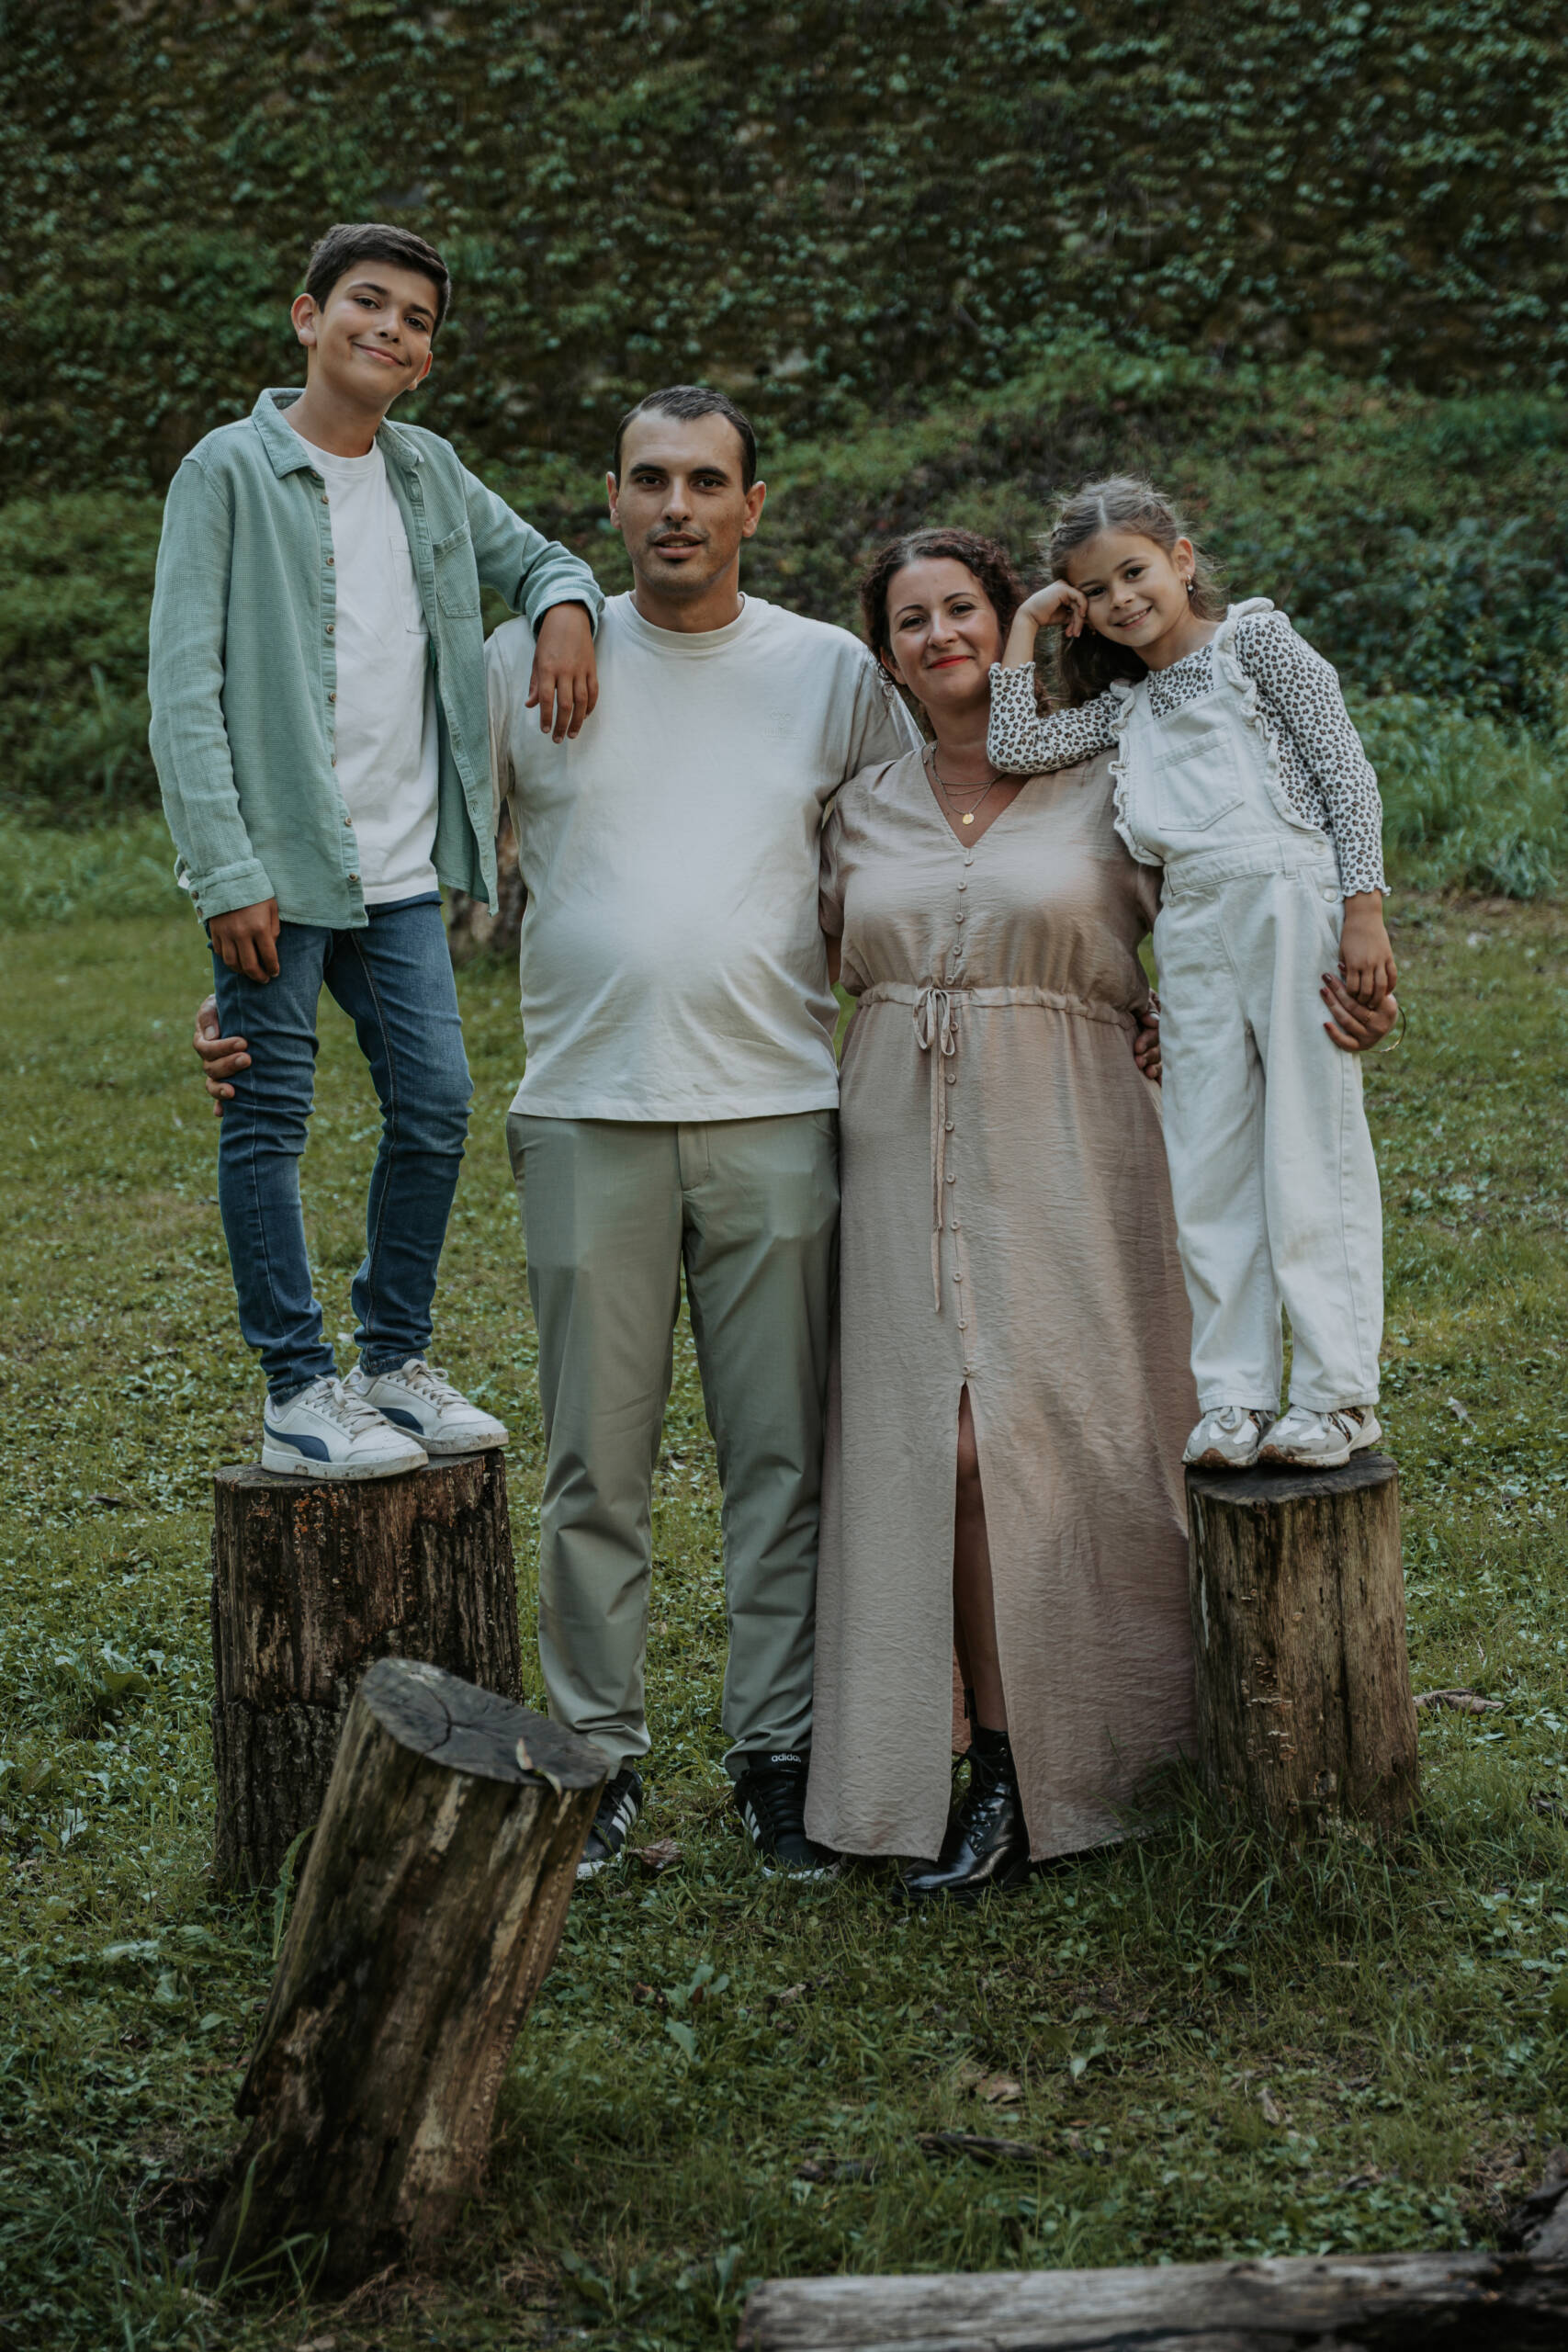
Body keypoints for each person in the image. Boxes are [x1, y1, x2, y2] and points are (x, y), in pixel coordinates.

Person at [199, 384, 919, 1877]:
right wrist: (247, 1016)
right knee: (596, 1475)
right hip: (585, 1111)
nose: (676, 508)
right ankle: (597, 1762)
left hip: (779, 1110)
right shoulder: (517, 666)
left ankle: (775, 1760)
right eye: (649, 480)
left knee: (777, 1466)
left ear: (751, 508)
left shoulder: (832, 673)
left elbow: (925, 848)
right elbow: (372, 849)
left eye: (706, 483)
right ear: (606, 500)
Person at [804, 527, 1397, 1899]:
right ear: (883, 652)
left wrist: (1324, 961)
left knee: (1076, 1431)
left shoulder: (1105, 761)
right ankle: (987, 1766)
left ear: (1017, 620)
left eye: (963, 608)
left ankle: (1124, 1754)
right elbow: (805, 967)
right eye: (909, 620)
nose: (937, 634)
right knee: (933, 1454)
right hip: (895, 1141)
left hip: (1072, 1131)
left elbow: (1229, 882)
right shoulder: (860, 802)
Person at [152, 222, 603, 1480]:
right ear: (307, 315)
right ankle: (296, 1391)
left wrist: (561, 609)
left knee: (438, 1106)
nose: (389, 329)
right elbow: (182, 688)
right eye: (367, 302)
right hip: (280, 874)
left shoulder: (430, 473)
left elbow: (542, 558)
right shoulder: (228, 472)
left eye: (414, 321)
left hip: (404, 874)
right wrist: (225, 870)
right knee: (269, 1117)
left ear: (424, 361)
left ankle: (389, 1364)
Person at [987, 476, 1393, 1474]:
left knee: (1311, 1144)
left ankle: (1337, 1394)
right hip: (1198, 926)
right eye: (1096, 589)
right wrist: (1028, 626)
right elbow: (1011, 744)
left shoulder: (1257, 646)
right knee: (1206, 1158)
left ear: (1180, 558)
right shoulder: (1125, 708)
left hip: (1292, 898)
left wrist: (1364, 907)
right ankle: (1237, 1395)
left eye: (1135, 570)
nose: (1124, 598)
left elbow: (1344, 769)